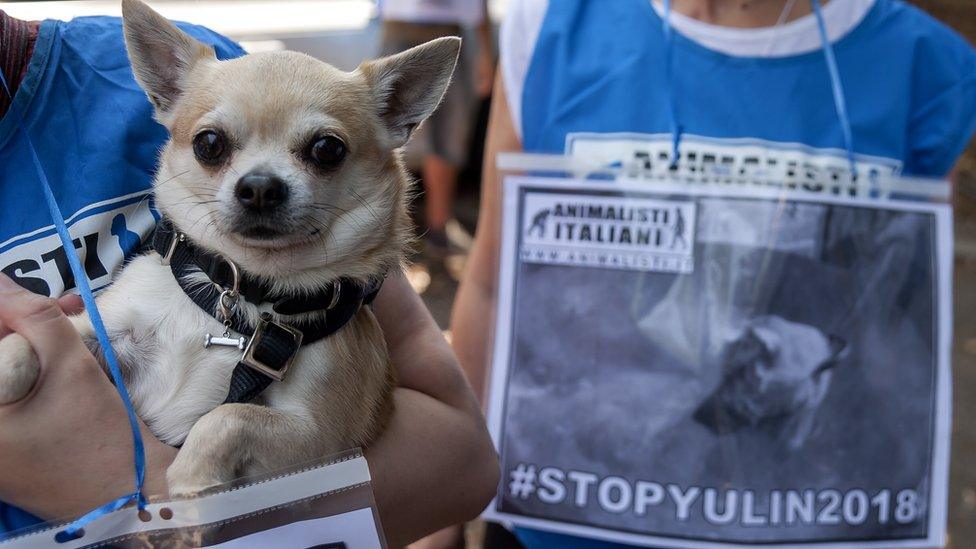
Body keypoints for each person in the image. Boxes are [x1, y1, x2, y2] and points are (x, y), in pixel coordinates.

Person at [452, 0, 976, 547]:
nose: (746, 358)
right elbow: (492, 285)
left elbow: (903, 343)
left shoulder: (926, 66)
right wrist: (440, 512)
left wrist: (917, 513)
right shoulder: (549, 32)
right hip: (554, 526)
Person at [0, 9, 498, 547]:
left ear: (396, 114)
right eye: (215, 147)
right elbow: (81, 345)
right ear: (167, 99)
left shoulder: (334, 315)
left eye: (322, 152)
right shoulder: (154, 280)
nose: (258, 184)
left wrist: (139, 479)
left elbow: (457, 460)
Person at [379, 0, 495, 254]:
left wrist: (485, 50)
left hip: (448, 29)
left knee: (448, 136)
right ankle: (396, 234)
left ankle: (439, 227)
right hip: (402, 27)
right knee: (390, 135)